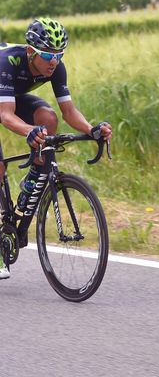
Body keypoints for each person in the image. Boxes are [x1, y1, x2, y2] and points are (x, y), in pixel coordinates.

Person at [0, 17, 112, 279]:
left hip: (8, 97)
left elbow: (68, 112)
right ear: (31, 51)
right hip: (3, 101)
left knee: (48, 119)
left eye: (59, 54)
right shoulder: (8, 61)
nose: (54, 61)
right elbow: (5, 115)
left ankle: (33, 182)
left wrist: (92, 130)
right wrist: (29, 131)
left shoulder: (56, 67)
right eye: (48, 55)